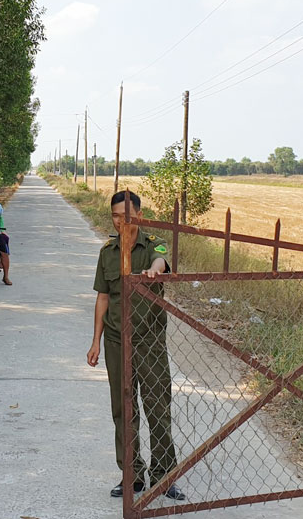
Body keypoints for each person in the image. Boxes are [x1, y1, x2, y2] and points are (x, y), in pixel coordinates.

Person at [86, 190, 185, 501]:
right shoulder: (108, 252)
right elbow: (103, 297)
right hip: (116, 340)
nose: (121, 221)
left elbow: (162, 258)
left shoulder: (153, 242)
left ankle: (164, 475)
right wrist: (96, 342)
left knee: (158, 407)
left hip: (149, 340)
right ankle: (132, 474)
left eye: (126, 215)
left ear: (139, 215)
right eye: (116, 215)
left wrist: (156, 269)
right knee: (123, 410)